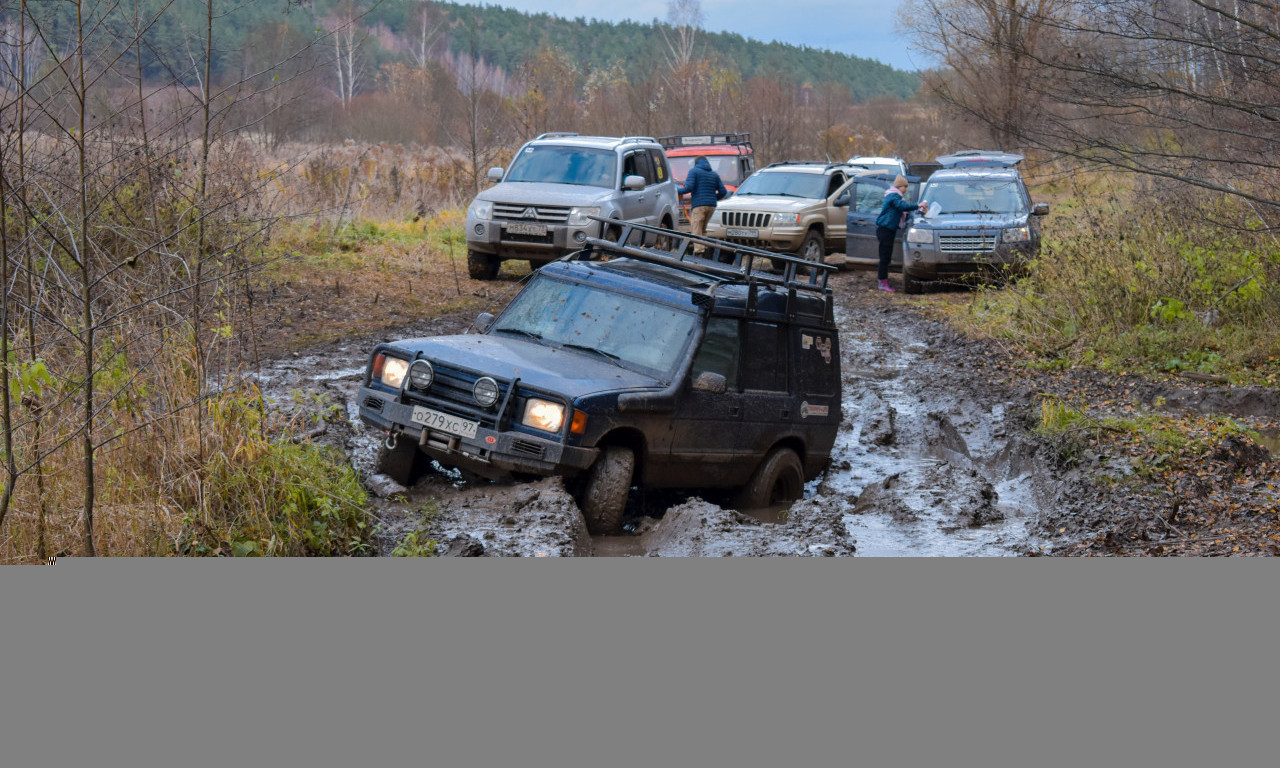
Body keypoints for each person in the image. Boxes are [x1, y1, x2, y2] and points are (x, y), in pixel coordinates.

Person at [874, 175, 927, 292]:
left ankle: (883, 282)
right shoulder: (894, 196)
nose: (906, 189)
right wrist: (918, 205)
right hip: (885, 229)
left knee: (886, 257)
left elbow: (903, 209)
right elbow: (902, 206)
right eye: (905, 186)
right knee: (884, 258)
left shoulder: (894, 196)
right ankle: (882, 283)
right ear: (899, 186)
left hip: (888, 229)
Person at [676, 156, 728, 255]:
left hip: (699, 205)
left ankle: (699, 252)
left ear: (696, 163)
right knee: (703, 228)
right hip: (711, 206)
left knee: (696, 229)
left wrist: (677, 190)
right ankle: (705, 251)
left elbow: (688, 188)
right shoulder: (714, 174)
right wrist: (712, 198)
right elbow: (723, 191)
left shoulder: (694, 171)